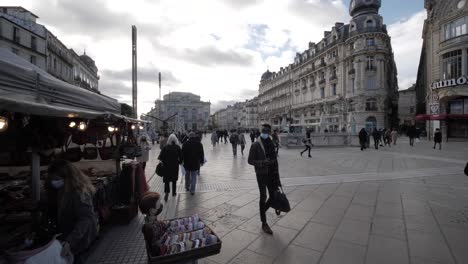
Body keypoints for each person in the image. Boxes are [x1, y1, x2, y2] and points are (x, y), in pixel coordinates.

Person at [46, 160, 98, 264]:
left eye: (56, 179)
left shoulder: (80, 193)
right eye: (52, 179)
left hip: (78, 241)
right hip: (68, 238)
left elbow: (85, 219)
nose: (53, 182)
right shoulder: (62, 190)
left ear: (68, 178)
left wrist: (70, 241)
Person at [248, 124, 281, 235]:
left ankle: (262, 211)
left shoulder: (271, 143)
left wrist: (277, 177)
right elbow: (250, 160)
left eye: (267, 132)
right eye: (264, 131)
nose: (266, 133)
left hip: (272, 173)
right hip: (261, 174)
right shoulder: (256, 145)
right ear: (261, 132)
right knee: (263, 196)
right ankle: (264, 223)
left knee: (273, 196)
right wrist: (262, 163)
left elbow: (275, 160)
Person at [158, 134, 182, 201]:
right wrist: (179, 162)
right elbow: (181, 157)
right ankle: (174, 192)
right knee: (174, 180)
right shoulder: (177, 147)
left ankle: (167, 192)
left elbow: (160, 157)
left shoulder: (165, 147)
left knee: (167, 180)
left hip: (166, 166)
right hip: (175, 166)